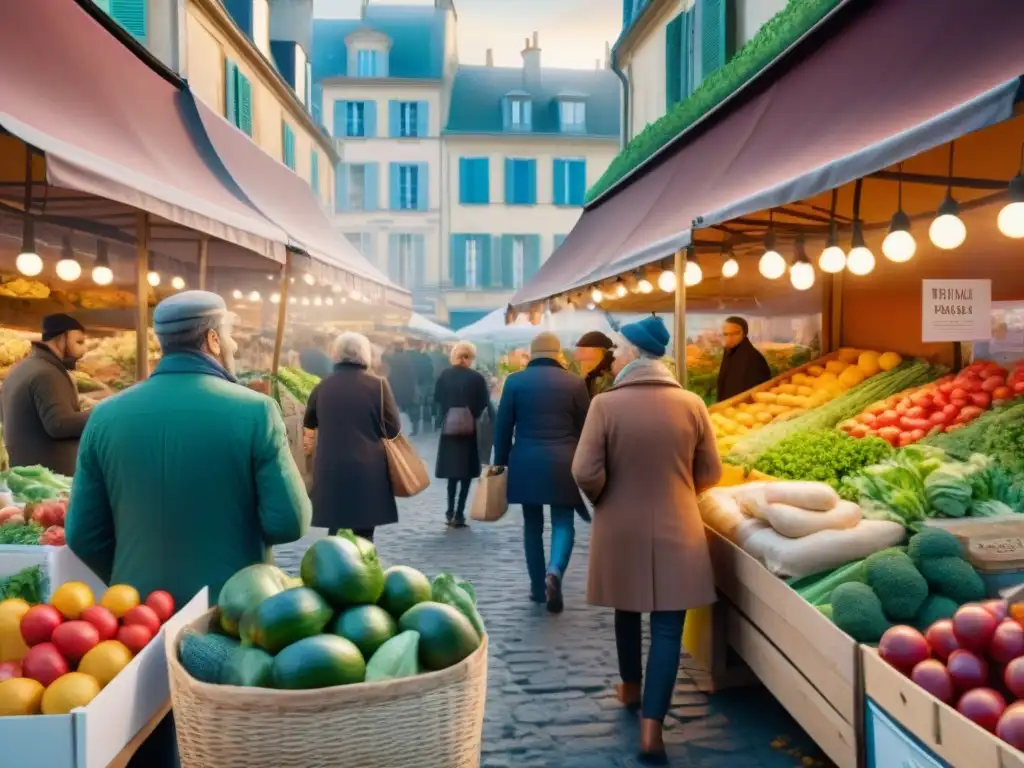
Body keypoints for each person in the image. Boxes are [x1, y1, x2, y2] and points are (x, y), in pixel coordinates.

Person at [65, 291, 311, 768]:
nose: (235, 345)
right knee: (227, 747)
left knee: (151, 747)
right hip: (231, 619)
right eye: (233, 336)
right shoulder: (254, 411)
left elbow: (83, 534)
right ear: (214, 339)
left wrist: (129, 577)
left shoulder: (106, 415)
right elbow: (290, 521)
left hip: (137, 619)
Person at [571, 315, 722, 763]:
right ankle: (652, 730)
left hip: (620, 524)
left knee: (626, 604)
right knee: (668, 627)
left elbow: (583, 471)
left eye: (618, 350)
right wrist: (681, 490)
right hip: (679, 525)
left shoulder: (606, 405)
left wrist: (604, 497)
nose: (614, 357)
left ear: (635, 353)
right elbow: (711, 472)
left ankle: (628, 688)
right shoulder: (692, 404)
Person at [493, 331, 590, 613]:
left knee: (532, 526)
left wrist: (500, 463)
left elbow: (503, 428)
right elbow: (587, 428)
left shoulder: (515, 382)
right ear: (558, 354)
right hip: (564, 462)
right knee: (563, 522)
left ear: (532, 355)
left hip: (526, 461)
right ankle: (555, 571)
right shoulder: (575, 383)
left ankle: (537, 588)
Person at [302, 332, 402, 542]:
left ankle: (334, 568)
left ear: (335, 354)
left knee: (336, 529)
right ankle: (363, 570)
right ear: (365, 355)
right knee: (364, 534)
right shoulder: (379, 386)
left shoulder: (322, 387)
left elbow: (309, 422)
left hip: (331, 467)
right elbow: (393, 429)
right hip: (368, 468)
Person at [0, 313, 90, 476]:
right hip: (48, 480)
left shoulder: (23, 368)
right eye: (79, 342)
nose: (84, 350)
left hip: (26, 476)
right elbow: (59, 425)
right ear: (62, 339)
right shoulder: (46, 373)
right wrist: (104, 412)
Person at [433, 341, 491, 527]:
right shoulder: (476, 378)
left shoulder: (445, 375)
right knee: (465, 473)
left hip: (449, 429)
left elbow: (437, 398)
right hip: (468, 429)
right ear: (471, 357)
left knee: (452, 473)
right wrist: (471, 414)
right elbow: (483, 402)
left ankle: (449, 510)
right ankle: (459, 513)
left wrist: (446, 414)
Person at [716, 315, 772, 402]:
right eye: (726, 334)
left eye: (735, 333)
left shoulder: (754, 357)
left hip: (744, 410)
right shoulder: (729, 352)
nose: (729, 338)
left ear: (744, 333)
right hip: (727, 408)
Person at [384, 341, 417, 434]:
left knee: (396, 408)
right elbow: (412, 374)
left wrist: (387, 349)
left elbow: (384, 357)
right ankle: (414, 427)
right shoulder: (408, 358)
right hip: (407, 387)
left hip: (395, 387)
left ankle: (396, 428)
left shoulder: (392, 358)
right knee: (410, 408)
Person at [574, 330, 616, 397]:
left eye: (583, 351)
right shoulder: (591, 377)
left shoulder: (604, 380)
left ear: (599, 352)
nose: (577, 357)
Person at [411, 341, 437, 434]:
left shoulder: (414, 358)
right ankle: (427, 423)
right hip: (426, 383)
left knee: (417, 404)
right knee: (426, 404)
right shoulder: (427, 358)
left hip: (419, 383)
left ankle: (416, 427)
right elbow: (432, 370)